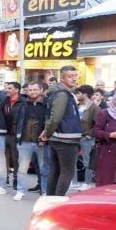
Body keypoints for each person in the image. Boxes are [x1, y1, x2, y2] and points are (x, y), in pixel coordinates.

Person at [41, 65, 82, 196]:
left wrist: (48, 133)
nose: (74, 79)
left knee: (56, 171)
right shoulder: (63, 95)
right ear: (62, 78)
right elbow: (55, 117)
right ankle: (57, 199)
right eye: (70, 76)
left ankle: (51, 198)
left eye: (75, 76)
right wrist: (46, 133)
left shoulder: (62, 93)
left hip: (59, 138)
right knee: (66, 172)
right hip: (66, 139)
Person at [12, 82, 48, 200]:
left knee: (44, 169)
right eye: (30, 90)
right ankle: (20, 190)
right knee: (22, 169)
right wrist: (17, 137)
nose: (32, 92)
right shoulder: (22, 104)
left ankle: (45, 192)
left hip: (41, 142)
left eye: (35, 89)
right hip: (24, 141)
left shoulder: (47, 104)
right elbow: (16, 121)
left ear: (41, 90)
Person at [93, 90, 116, 186]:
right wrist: (110, 135)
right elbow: (95, 132)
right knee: (106, 184)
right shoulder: (104, 113)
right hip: (107, 154)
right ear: (113, 101)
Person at [75, 85, 100, 191]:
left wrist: (89, 134)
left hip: (86, 138)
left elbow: (98, 125)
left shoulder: (94, 108)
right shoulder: (77, 106)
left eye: (78, 93)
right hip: (75, 137)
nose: (77, 95)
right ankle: (74, 182)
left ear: (85, 94)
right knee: (72, 160)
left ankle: (87, 182)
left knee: (87, 161)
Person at [4, 82, 23, 187]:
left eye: (9, 88)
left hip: (15, 134)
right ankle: (5, 177)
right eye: (6, 88)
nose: (7, 90)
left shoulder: (22, 102)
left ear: (17, 90)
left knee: (16, 159)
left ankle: (16, 179)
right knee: (4, 158)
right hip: (5, 133)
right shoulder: (5, 101)